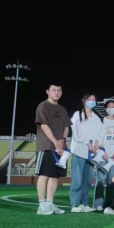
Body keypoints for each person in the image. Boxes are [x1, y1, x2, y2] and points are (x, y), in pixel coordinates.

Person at [35, 82, 72, 215]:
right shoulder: (43, 106)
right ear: (48, 91)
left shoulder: (62, 109)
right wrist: (56, 142)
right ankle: (41, 206)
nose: (57, 93)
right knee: (44, 174)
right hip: (46, 146)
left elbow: (66, 127)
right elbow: (44, 126)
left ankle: (50, 203)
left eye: (59, 90)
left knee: (55, 176)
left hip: (60, 148)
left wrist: (63, 140)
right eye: (54, 90)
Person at [69, 94, 102, 213]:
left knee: (87, 180)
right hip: (79, 150)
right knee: (77, 179)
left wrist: (96, 143)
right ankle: (75, 204)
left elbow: (100, 132)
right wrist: (88, 143)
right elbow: (77, 132)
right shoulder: (78, 114)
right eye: (90, 99)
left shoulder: (96, 117)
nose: (92, 101)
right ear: (84, 101)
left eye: (94, 100)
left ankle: (84, 203)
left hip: (91, 153)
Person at [94, 100, 114, 211]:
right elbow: (97, 138)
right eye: (109, 106)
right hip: (102, 156)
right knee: (100, 180)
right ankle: (98, 203)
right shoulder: (101, 121)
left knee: (111, 181)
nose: (111, 108)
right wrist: (103, 152)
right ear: (105, 109)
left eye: (113, 107)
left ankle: (109, 204)